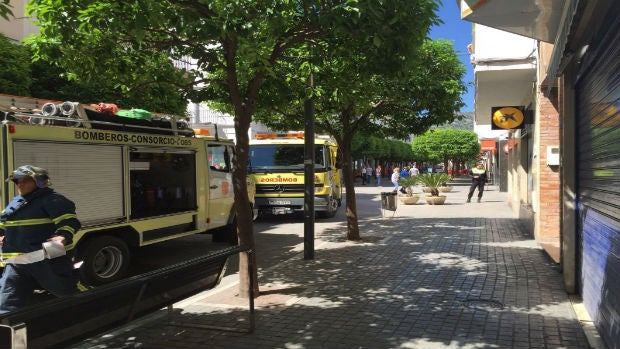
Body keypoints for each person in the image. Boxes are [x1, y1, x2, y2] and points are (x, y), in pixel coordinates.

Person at [0, 165, 81, 313]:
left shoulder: (54, 199)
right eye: (18, 181)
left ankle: (90, 315)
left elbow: (69, 222)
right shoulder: (16, 203)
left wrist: (62, 236)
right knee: (6, 304)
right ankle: (9, 331)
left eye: (25, 181)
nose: (20, 184)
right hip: (16, 262)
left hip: (45, 259)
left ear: (40, 182)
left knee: (66, 293)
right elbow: (2, 223)